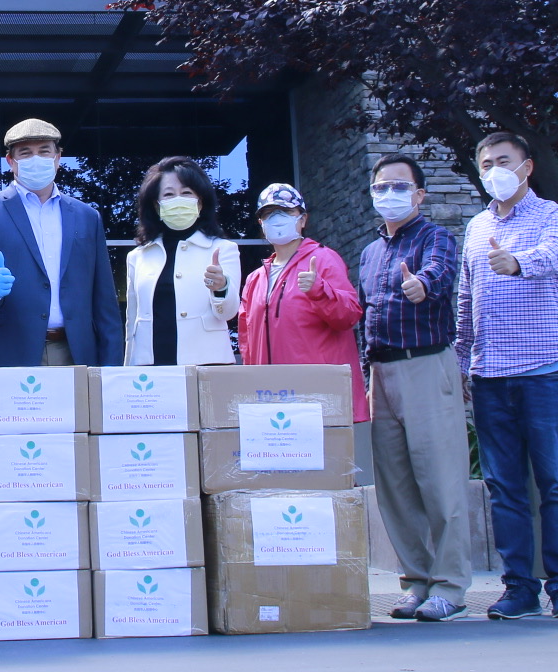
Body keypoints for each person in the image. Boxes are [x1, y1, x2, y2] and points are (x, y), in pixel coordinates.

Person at [456, 130, 558, 620]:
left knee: (556, 483)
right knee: (504, 488)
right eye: (486, 163)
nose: (495, 171)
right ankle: (520, 589)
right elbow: (466, 299)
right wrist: (462, 361)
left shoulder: (553, 216)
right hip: (489, 375)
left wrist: (516, 263)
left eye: (504, 161)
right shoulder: (476, 227)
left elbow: (555, 255)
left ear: (527, 167)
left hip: (543, 370)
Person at [357, 153, 470, 623]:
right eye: (381, 187)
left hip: (425, 365)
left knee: (441, 483)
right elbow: (364, 315)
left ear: (419, 194)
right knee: (395, 487)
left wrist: (421, 285)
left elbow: (439, 275)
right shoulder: (369, 253)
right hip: (381, 373)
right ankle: (416, 581)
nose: (389, 194)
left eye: (399, 186)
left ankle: (450, 588)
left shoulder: (435, 237)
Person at [0, 119, 122, 366]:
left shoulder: (87, 216)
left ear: (58, 158)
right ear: (11, 161)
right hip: (7, 351)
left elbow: (104, 298)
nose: (36, 159)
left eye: (44, 151)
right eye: (26, 153)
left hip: (74, 353)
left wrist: (111, 365)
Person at [236, 182, 365, 412]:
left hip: (318, 396)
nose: (276, 219)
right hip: (269, 396)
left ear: (303, 219)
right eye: (268, 213)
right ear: (261, 223)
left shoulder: (323, 259)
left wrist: (320, 291)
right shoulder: (255, 279)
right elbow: (246, 341)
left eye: (285, 211)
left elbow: (349, 315)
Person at [123, 157, 241, 365]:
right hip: (150, 368)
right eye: (169, 194)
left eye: (186, 193)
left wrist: (221, 287)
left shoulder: (222, 249)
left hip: (207, 364)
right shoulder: (138, 256)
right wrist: (128, 368)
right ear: (157, 206)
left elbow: (228, 312)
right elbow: (132, 319)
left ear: (200, 202)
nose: (178, 199)